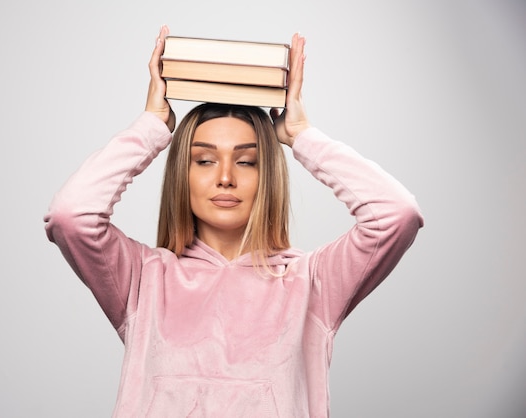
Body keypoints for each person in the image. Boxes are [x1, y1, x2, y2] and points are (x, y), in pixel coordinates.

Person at [44, 25, 423, 417]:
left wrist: (301, 136)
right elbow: (71, 215)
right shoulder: (143, 280)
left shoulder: (311, 283)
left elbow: (396, 213)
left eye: (246, 160)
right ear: (183, 175)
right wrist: (152, 126)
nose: (225, 176)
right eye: (205, 160)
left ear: (267, 175)